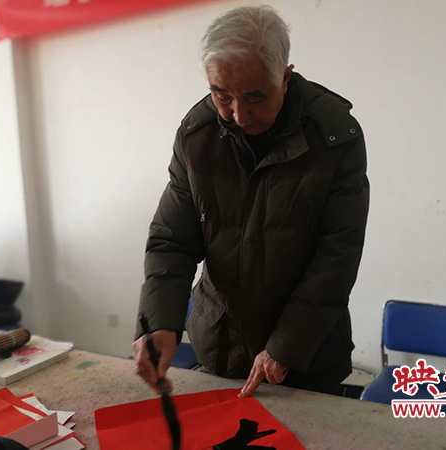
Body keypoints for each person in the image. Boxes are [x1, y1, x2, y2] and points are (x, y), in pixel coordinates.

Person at [133, 4, 369, 398]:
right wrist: (159, 323)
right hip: (220, 345)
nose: (239, 114)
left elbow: (337, 256)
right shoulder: (197, 136)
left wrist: (285, 346)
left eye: (255, 97)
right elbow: (172, 241)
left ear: (285, 78)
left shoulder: (333, 139)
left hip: (307, 353)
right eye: (221, 95)